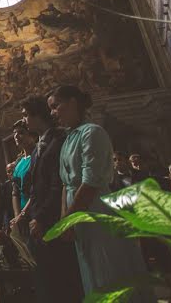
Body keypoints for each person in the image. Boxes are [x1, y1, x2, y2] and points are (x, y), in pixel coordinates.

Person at [50, 85, 152, 301]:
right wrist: (64, 218)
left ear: (73, 103)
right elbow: (65, 184)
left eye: (56, 106)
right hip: (78, 213)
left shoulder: (93, 132)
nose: (53, 113)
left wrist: (70, 218)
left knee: (108, 270)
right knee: (92, 273)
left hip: (94, 210)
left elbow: (90, 183)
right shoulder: (69, 138)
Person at [17, 95, 82, 303]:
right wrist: (26, 214)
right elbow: (36, 189)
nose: (25, 120)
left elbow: (58, 184)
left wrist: (42, 217)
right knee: (45, 281)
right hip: (38, 218)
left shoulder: (59, 140)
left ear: (39, 116)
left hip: (55, 219)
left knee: (63, 279)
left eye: (27, 115)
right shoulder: (37, 148)